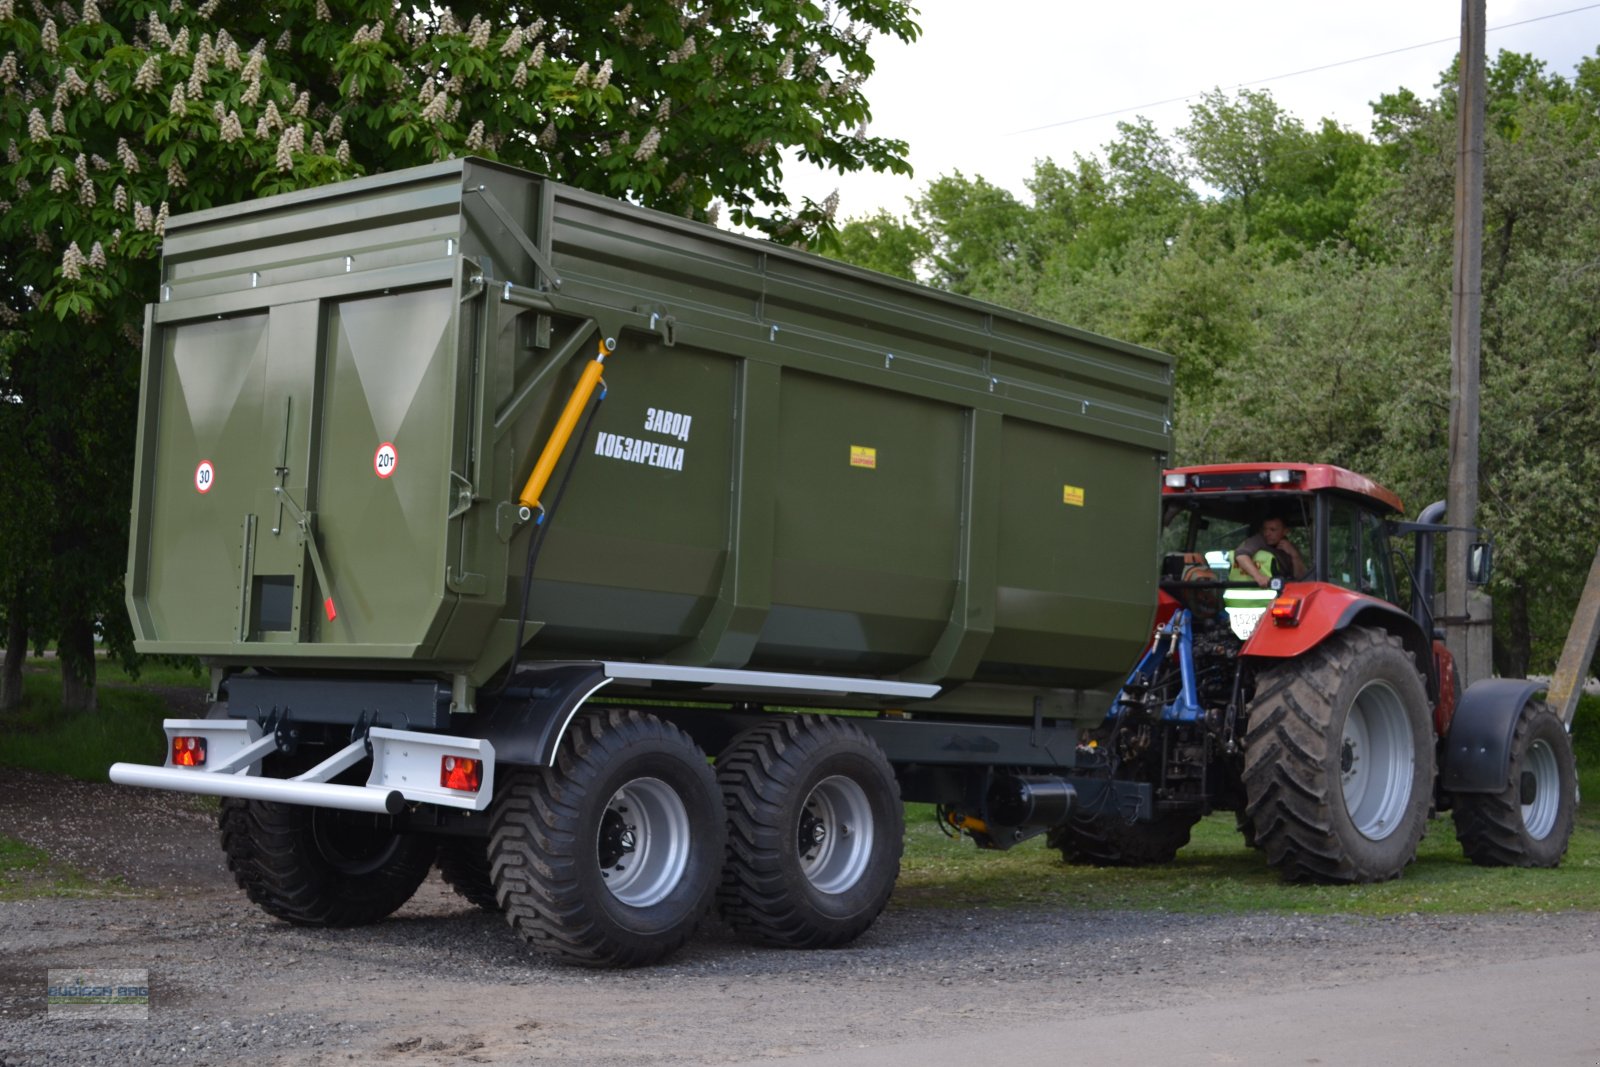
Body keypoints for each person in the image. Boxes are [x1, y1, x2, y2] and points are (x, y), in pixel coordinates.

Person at [1233, 516, 1306, 588]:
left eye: (1273, 530)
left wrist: (1295, 555)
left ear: (1285, 531)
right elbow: (1241, 555)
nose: (1267, 533)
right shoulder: (1259, 540)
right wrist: (1258, 576)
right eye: (1264, 529)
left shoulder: (1289, 546)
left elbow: (1301, 578)